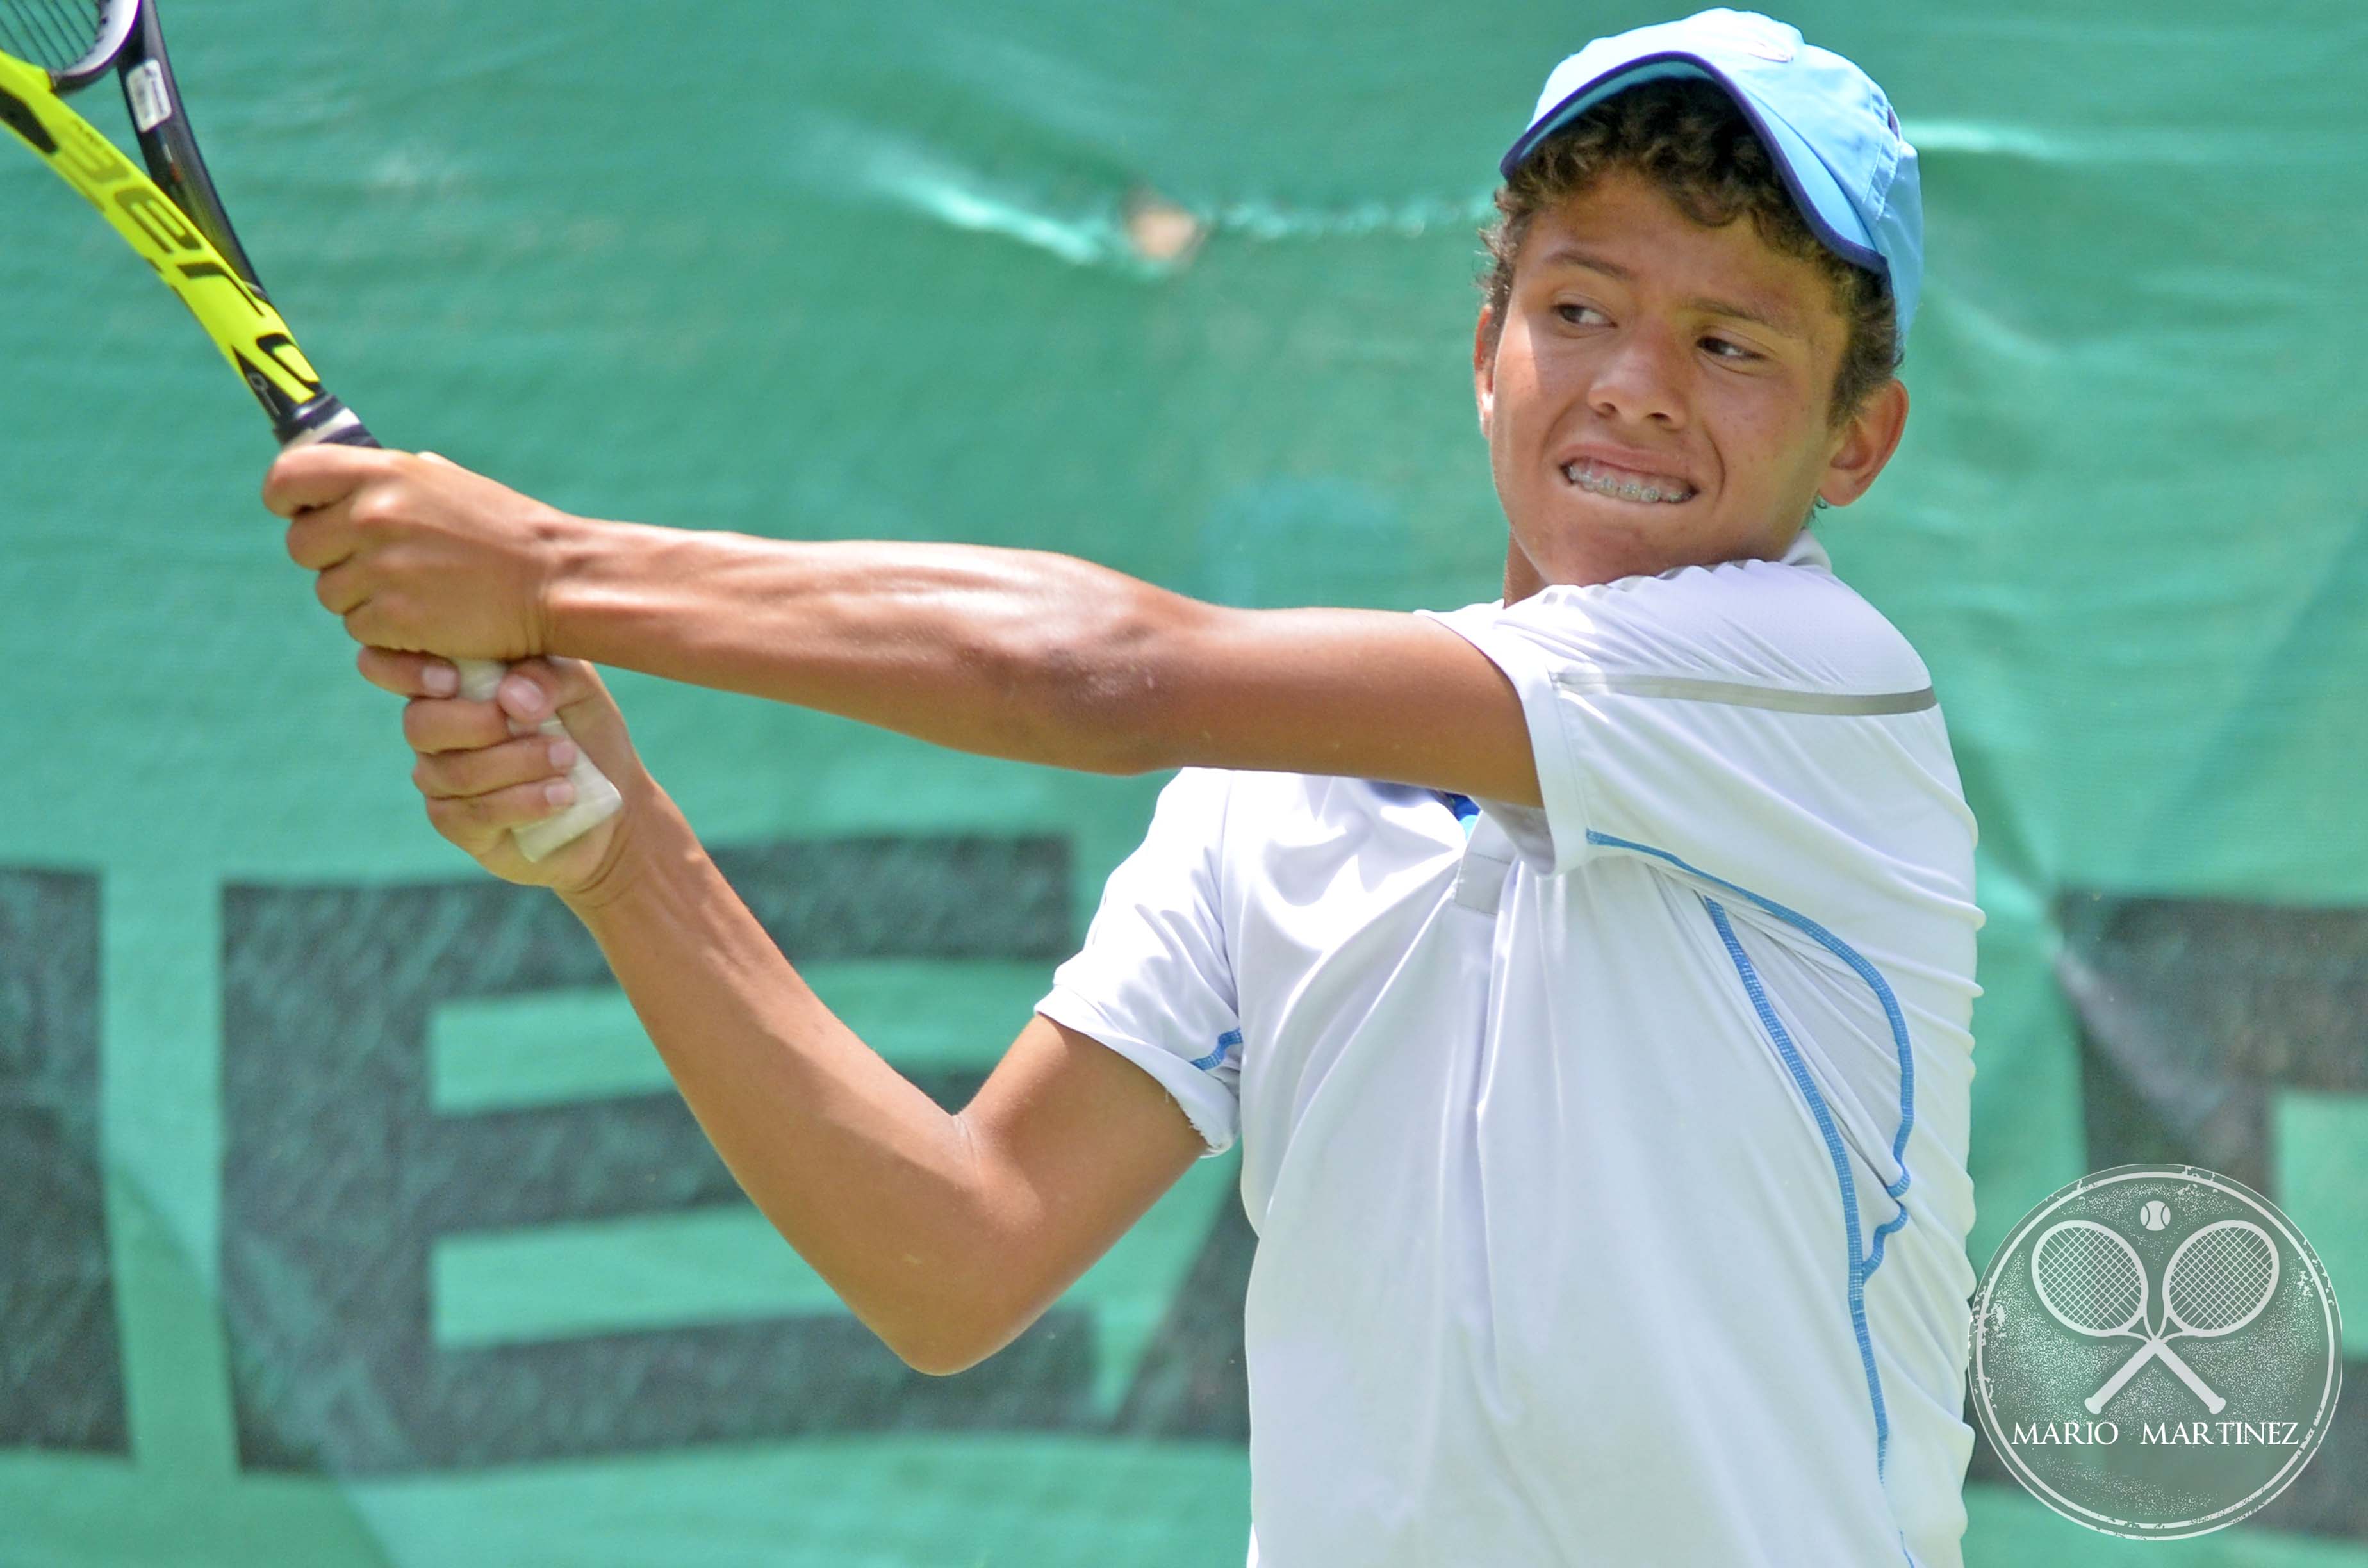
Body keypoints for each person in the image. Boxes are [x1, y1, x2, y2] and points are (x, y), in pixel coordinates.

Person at [263, 10, 1979, 1564]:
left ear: (1857, 440)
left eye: (1731, 342)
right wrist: (615, 849)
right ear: (1487, 345)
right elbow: (953, 1256)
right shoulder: (1283, 798)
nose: (1631, 384)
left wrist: (553, 570)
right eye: (1580, 308)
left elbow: (1093, 679)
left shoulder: (1815, 693)